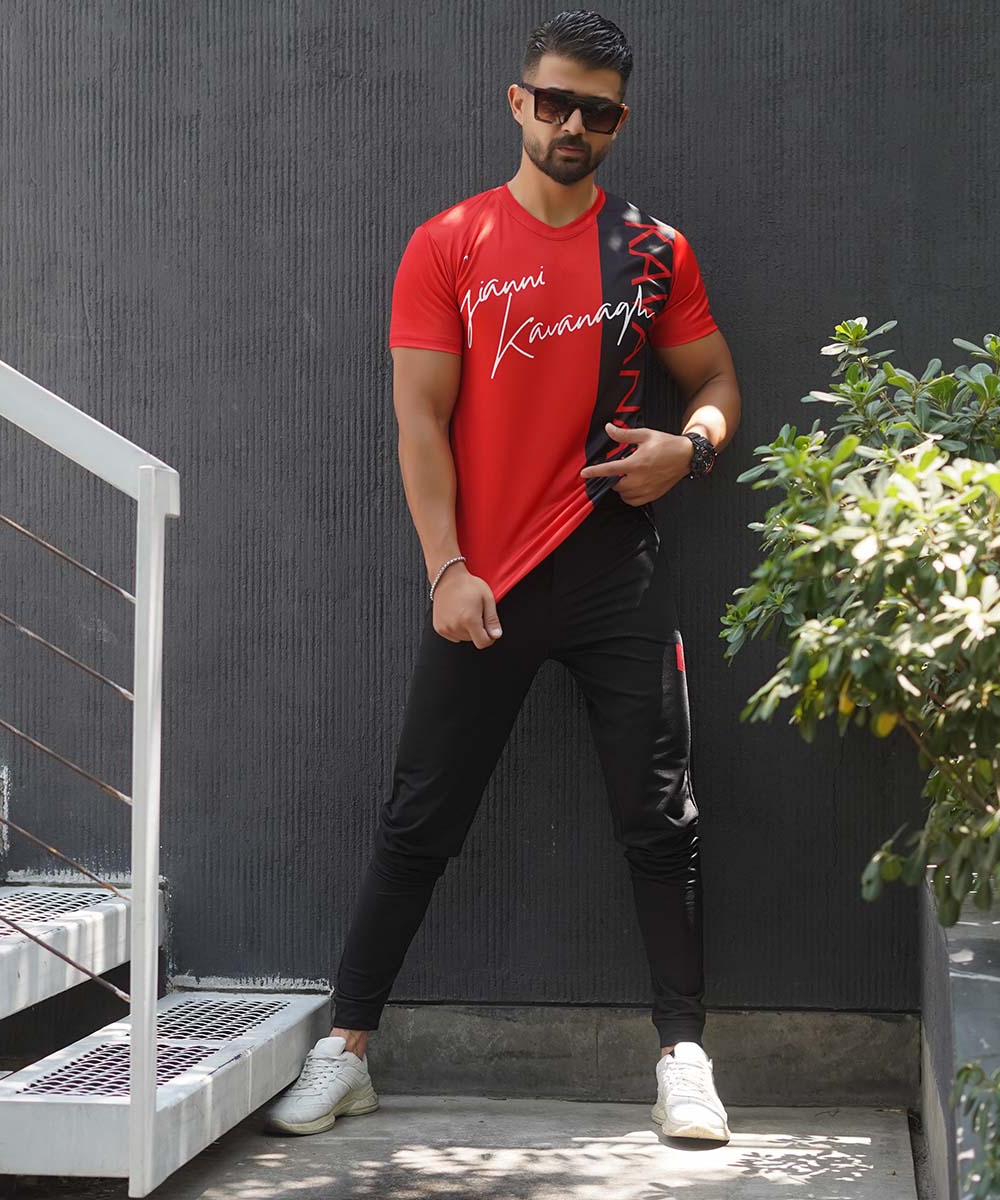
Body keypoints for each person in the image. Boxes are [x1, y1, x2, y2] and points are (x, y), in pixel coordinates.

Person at [264, 8, 742, 1142]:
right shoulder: (449, 243)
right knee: (418, 820)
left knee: (660, 820)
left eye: (597, 112)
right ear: (518, 101)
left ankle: (683, 1057)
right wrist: (446, 567)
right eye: (556, 101)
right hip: (485, 583)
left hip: (616, 569)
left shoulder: (655, 250)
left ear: (619, 123)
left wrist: (691, 450)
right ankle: (348, 1049)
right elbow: (419, 424)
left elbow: (718, 380)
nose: (573, 125)